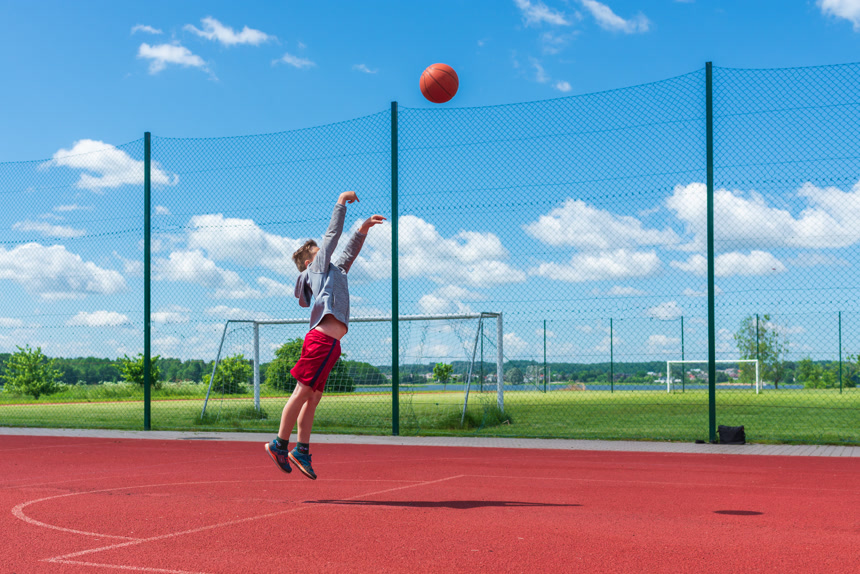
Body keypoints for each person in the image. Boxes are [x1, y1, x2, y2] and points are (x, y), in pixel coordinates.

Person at [265, 190, 385, 480]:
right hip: (321, 341)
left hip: (330, 345)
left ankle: (301, 450)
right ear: (310, 264)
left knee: (313, 397)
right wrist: (341, 202)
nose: (327, 256)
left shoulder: (335, 271)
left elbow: (347, 253)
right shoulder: (317, 269)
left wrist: (363, 229)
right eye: (321, 255)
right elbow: (331, 237)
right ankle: (280, 443)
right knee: (303, 391)